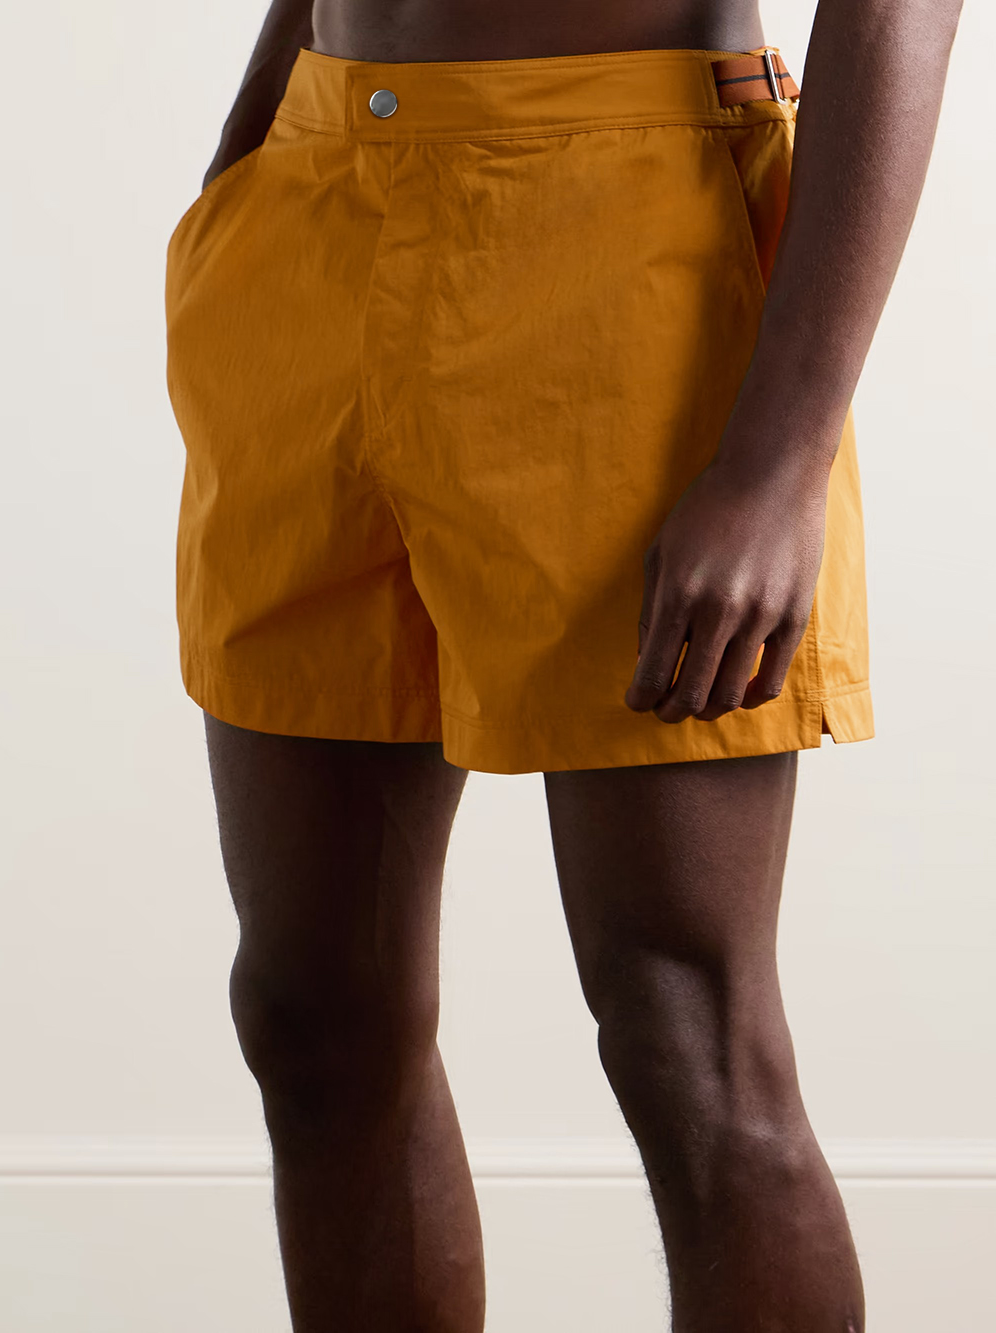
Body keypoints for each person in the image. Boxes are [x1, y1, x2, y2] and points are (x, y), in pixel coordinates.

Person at [163, 1, 962, 1329]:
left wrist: (780, 460)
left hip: (626, 220)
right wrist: (242, 171)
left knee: (680, 1027)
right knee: (312, 1010)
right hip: (316, 199)